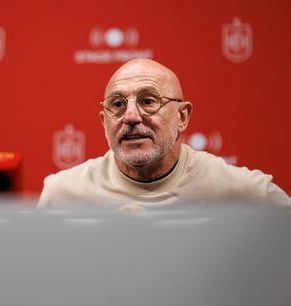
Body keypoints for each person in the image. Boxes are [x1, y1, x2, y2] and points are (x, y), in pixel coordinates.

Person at [38, 58, 290, 208]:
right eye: (117, 104)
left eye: (148, 101)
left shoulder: (242, 191)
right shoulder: (62, 192)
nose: (131, 117)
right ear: (104, 121)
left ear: (182, 116)